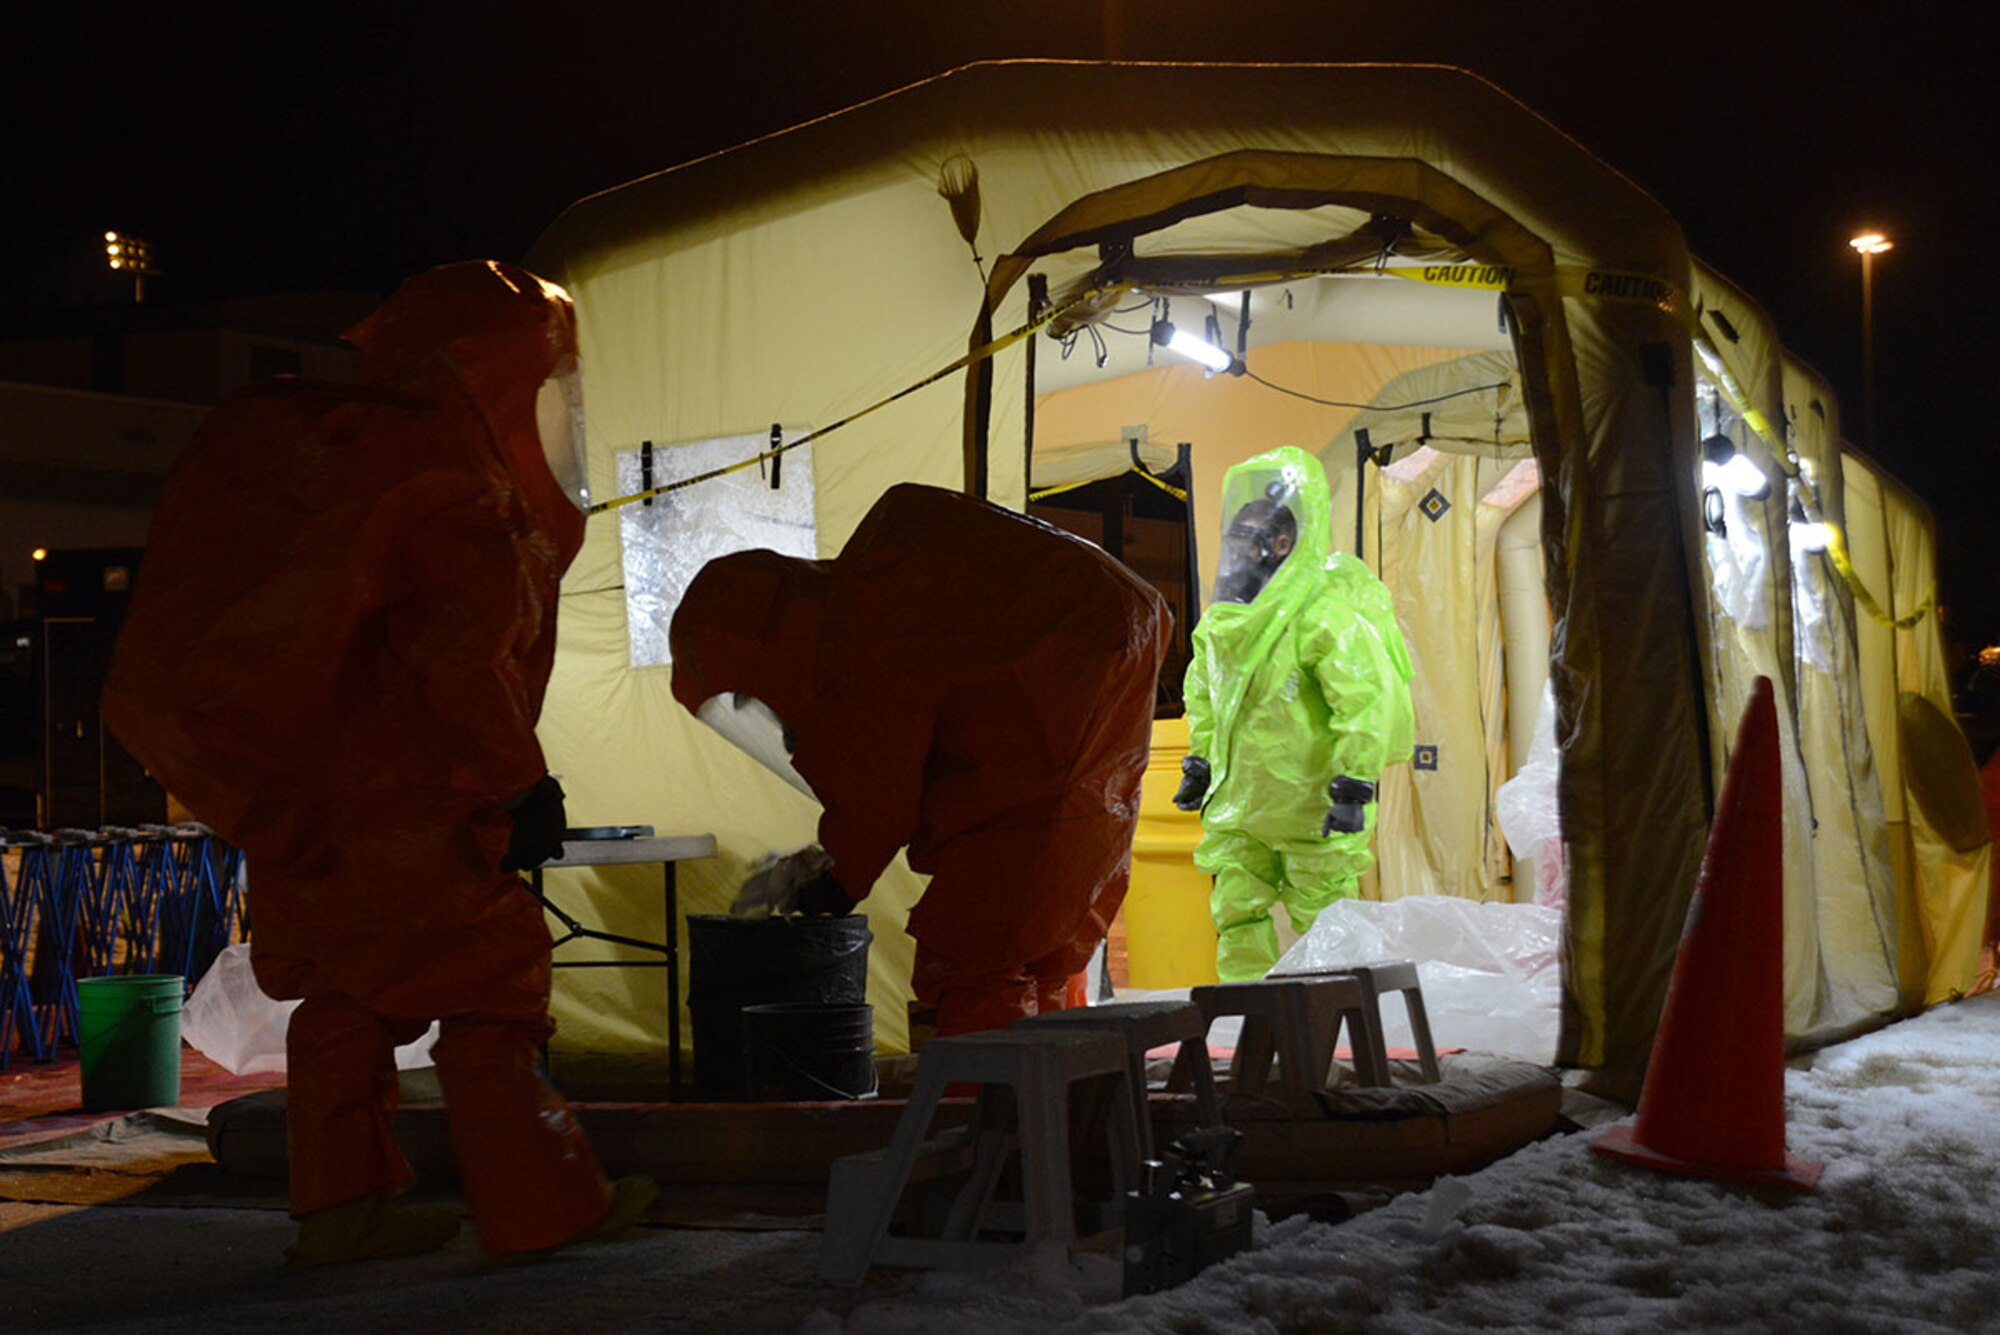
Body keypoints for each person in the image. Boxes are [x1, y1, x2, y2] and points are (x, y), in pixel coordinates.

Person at [102, 261, 652, 1264]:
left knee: (345, 1003)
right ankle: (542, 1205)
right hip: (416, 813)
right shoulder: (453, 487)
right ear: (496, 374)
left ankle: (340, 1209)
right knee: (493, 991)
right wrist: (520, 782)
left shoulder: (349, 468)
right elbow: (461, 661)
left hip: (315, 814)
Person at [668, 482, 1171, 1037]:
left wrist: (835, 881)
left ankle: (984, 1090)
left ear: (761, 650)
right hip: (1094, 677)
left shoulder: (862, 630)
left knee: (973, 957)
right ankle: (1053, 1085)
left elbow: (879, 788)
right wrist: (830, 864)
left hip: (1060, 693)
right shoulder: (880, 592)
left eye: (748, 697)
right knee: (1042, 944)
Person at [1174, 445, 1414, 982]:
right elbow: (1207, 696)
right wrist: (1201, 763)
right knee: (1236, 914)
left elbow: (1364, 700)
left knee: (1325, 921)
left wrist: (1353, 785)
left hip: (1312, 807)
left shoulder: (1322, 615)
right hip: (1241, 809)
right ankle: (1248, 1015)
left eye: (1247, 537)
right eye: (1234, 535)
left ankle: (1334, 1021)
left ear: (1282, 544)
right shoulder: (1224, 623)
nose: (1236, 548)